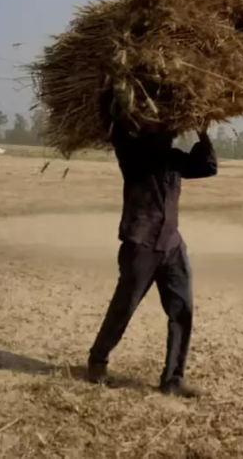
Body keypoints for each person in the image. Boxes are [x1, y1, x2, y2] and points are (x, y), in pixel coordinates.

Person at [86, 120, 217, 398]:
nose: (171, 133)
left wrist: (203, 132)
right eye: (166, 128)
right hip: (140, 244)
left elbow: (208, 167)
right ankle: (98, 360)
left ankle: (173, 379)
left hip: (171, 244)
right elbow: (115, 126)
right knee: (124, 306)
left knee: (182, 310)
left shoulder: (174, 159)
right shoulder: (132, 154)